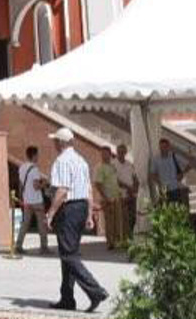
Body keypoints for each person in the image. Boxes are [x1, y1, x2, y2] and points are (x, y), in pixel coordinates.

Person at [47, 128, 108, 312]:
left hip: (69, 209)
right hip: (81, 207)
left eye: (55, 141)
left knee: (68, 255)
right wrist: (89, 214)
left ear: (60, 142)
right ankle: (67, 298)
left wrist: (50, 213)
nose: (54, 144)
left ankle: (95, 290)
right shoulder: (81, 161)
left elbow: (63, 190)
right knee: (69, 253)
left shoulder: (62, 161)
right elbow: (88, 190)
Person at [97, 144, 136, 249]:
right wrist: (105, 198)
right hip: (109, 198)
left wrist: (131, 190)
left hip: (120, 197)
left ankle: (121, 241)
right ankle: (111, 243)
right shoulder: (104, 166)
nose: (121, 154)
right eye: (119, 152)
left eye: (123, 152)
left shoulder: (118, 166)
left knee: (122, 220)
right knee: (110, 222)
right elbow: (98, 184)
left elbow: (118, 180)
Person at [17, 146, 51, 255]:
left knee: (25, 223)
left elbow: (21, 185)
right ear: (34, 155)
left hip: (27, 199)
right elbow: (36, 186)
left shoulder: (22, 167)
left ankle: (18, 245)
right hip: (36, 200)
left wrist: (21, 198)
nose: (38, 157)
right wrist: (44, 184)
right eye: (37, 155)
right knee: (41, 224)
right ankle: (44, 247)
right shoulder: (34, 169)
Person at [150, 138, 190, 207]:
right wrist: (158, 182)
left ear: (168, 147)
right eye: (161, 147)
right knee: (165, 211)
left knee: (176, 210)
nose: (163, 149)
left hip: (174, 188)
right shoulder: (155, 159)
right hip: (163, 190)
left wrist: (182, 173)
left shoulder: (174, 156)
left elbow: (189, 165)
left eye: (165, 147)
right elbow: (152, 174)